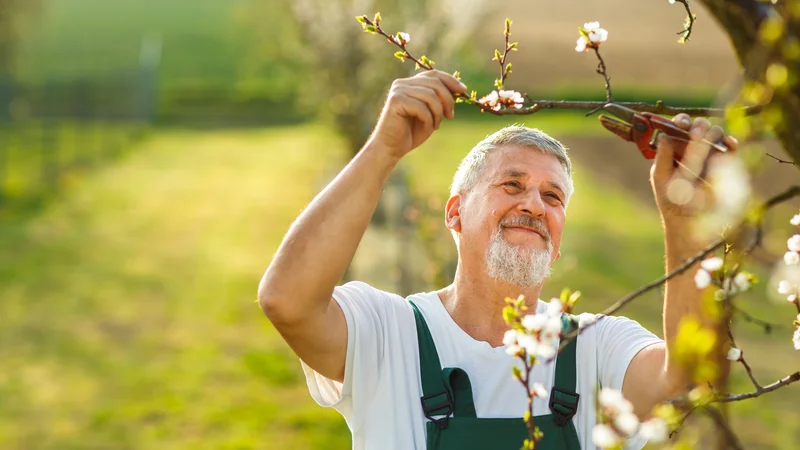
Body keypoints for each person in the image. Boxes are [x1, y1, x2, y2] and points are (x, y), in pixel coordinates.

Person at [258, 70, 738, 449]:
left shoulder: (594, 347)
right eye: (512, 185)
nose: (533, 204)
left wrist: (683, 218)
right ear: (455, 214)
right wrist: (384, 151)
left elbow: (688, 380)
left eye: (552, 197)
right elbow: (287, 300)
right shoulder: (389, 332)